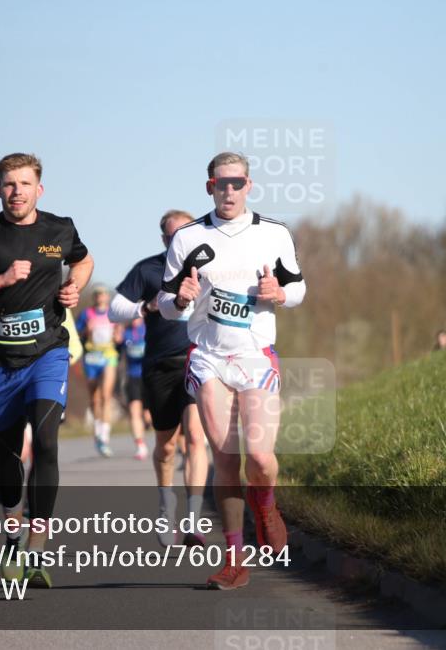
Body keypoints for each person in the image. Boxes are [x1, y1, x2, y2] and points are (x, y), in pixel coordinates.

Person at [0, 152, 93, 589]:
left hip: (47, 353)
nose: (17, 192)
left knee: (46, 442)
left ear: (38, 189)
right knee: (7, 456)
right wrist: (0, 281)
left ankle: (38, 544)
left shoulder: (59, 229)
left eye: (25, 184)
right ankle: (12, 532)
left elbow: (83, 260)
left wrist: (73, 287)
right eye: (9, 185)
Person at [157, 153, 306, 589]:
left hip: (256, 355)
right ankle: (235, 558)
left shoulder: (274, 233)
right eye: (221, 184)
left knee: (259, 457)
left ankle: (266, 505)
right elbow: (166, 306)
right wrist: (181, 299)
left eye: (236, 183)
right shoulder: (187, 238)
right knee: (225, 459)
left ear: (249, 186)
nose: (229, 191)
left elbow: (298, 287)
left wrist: (278, 292)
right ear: (209, 187)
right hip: (208, 358)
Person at [109, 210, 210, 548]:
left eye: (184, 234)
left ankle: (194, 520)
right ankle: (166, 505)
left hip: (199, 361)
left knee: (196, 438)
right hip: (160, 365)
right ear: (164, 239)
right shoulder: (149, 269)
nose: (177, 241)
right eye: (171, 236)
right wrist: (146, 308)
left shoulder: (212, 266)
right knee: (166, 446)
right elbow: (114, 308)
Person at [77, 287, 122, 457]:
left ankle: (105, 436)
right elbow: (77, 334)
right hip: (91, 357)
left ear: (107, 297)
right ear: (94, 298)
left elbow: (119, 337)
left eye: (103, 294)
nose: (100, 297)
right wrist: (86, 330)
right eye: (97, 294)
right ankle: (97, 431)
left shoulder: (113, 313)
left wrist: (118, 337)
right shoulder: (86, 313)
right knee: (94, 399)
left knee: (106, 396)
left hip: (108, 356)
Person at [121, 315, 150, 460]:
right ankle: (140, 446)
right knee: (134, 411)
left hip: (150, 376)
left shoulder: (149, 327)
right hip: (132, 376)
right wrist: (116, 341)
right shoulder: (124, 332)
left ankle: (147, 422)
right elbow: (116, 350)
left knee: (148, 416)